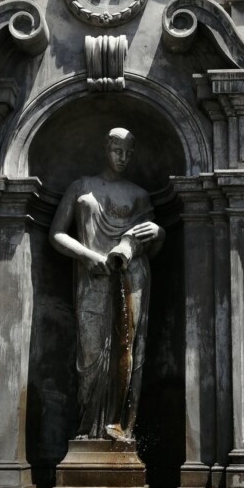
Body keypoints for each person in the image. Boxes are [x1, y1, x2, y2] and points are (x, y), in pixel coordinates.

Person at [49, 127, 164, 442]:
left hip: (133, 276)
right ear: (105, 149)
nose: (123, 157)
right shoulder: (81, 187)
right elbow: (56, 233)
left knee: (129, 349)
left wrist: (154, 234)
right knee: (90, 356)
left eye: (128, 152)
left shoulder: (139, 194)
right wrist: (87, 256)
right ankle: (88, 430)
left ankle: (122, 426)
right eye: (117, 150)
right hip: (92, 280)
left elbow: (153, 247)